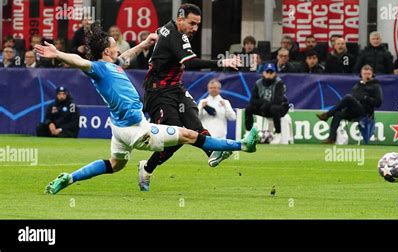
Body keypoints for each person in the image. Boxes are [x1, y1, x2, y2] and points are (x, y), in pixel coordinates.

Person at [35, 24, 258, 195]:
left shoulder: (111, 65)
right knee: (189, 135)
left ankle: (69, 178)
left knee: (115, 165)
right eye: (115, 45)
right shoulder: (99, 69)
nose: (118, 47)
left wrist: (144, 45)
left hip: (120, 129)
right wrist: (59, 55)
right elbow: (80, 61)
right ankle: (243, 145)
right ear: (106, 50)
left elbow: (126, 56)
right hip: (136, 129)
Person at [140, 3, 241, 191]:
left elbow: (160, 32)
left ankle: (213, 151)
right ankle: (146, 169)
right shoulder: (176, 36)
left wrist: (156, 36)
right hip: (158, 92)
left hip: (176, 89)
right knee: (174, 137)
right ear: (180, 19)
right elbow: (192, 63)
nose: (195, 28)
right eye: (192, 23)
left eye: (197, 24)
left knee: (194, 123)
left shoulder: (169, 30)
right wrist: (222, 62)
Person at [317, 65, 382, 144]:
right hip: (353, 110)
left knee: (348, 97)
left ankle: (327, 114)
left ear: (372, 75)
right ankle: (331, 139)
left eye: (368, 74)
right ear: (361, 74)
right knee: (338, 114)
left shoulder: (376, 86)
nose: (366, 76)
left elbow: (378, 103)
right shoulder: (357, 85)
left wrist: (365, 98)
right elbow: (352, 99)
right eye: (365, 74)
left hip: (365, 113)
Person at [245, 63, 290, 143]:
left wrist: (266, 105)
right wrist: (264, 103)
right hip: (264, 108)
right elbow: (253, 100)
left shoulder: (279, 83)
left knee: (274, 108)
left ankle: (278, 134)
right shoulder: (258, 83)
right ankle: (248, 132)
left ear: (275, 73)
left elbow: (278, 100)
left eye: (271, 72)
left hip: (281, 108)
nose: (269, 74)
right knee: (249, 108)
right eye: (267, 72)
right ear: (263, 73)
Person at [198, 79, 237, 167]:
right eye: (211, 88)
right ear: (208, 89)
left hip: (221, 135)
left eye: (215, 88)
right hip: (207, 135)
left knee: (220, 157)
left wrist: (225, 106)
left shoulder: (225, 102)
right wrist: (201, 107)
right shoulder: (202, 102)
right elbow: (197, 118)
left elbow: (232, 117)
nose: (213, 89)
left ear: (219, 89)